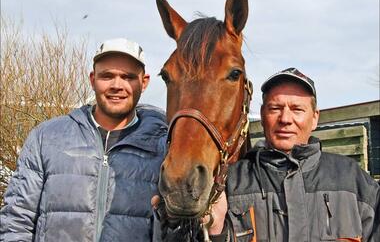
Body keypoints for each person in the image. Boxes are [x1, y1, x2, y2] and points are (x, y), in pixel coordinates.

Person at [0, 38, 168, 241]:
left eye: (128, 77)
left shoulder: (164, 147)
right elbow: (16, 221)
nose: (117, 85)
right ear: (92, 79)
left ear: (144, 82)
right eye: (107, 76)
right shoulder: (47, 138)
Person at [208, 68, 380, 241]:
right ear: (262, 115)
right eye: (275, 108)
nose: (285, 119)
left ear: (314, 118)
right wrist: (215, 230)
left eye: (297, 109)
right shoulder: (231, 182)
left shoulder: (351, 179)